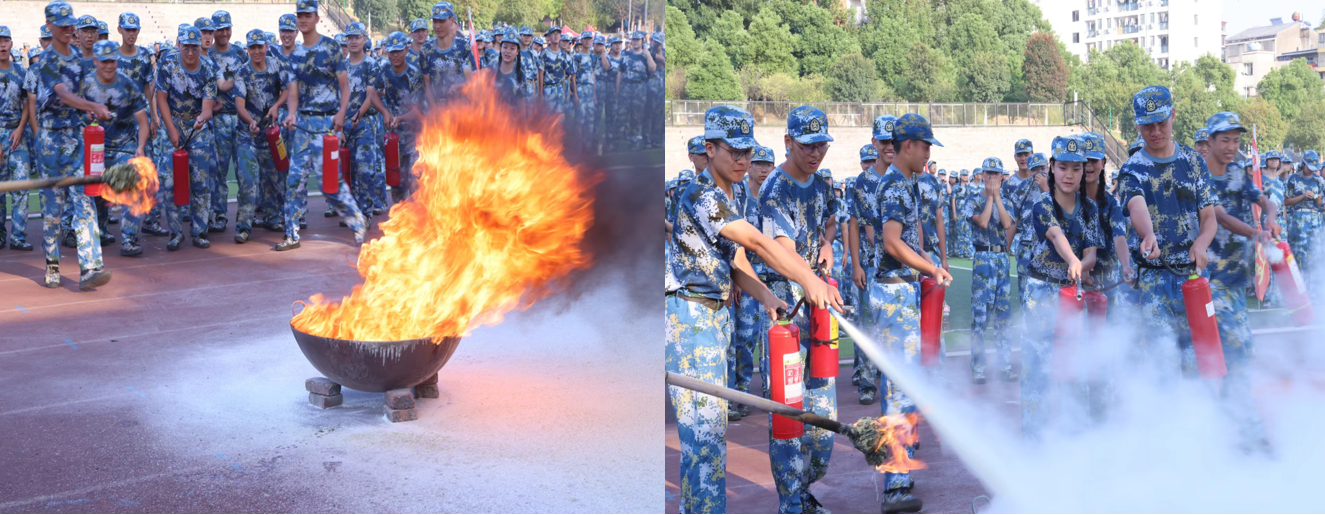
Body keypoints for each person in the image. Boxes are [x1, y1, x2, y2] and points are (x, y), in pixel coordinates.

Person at [666, 104, 841, 514]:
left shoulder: (738, 190)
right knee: (704, 442)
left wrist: (767, 296)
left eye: (748, 152)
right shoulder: (702, 195)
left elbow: (737, 258)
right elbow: (760, 244)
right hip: (690, 317)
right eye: (734, 152)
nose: (744, 161)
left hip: (715, 318)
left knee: (711, 440)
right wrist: (808, 279)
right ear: (709, 149)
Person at [758, 106, 843, 514]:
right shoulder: (775, 190)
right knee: (789, 412)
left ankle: (805, 488)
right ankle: (791, 503)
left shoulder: (822, 183)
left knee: (824, 415)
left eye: (822, 145)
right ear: (788, 142)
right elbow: (783, 251)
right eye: (808, 145)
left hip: (817, 300)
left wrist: (827, 245)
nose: (816, 154)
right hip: (786, 310)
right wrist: (811, 279)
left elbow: (829, 222)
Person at [870, 113, 953, 513]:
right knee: (898, 388)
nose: (928, 153)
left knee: (904, 384)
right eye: (925, 146)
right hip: (892, 293)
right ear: (908, 146)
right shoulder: (895, 186)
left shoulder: (907, 184)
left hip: (901, 292)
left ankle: (899, 475)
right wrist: (929, 267)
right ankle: (895, 485)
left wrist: (926, 263)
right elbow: (890, 242)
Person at [1117, 85, 1219, 376]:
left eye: (1161, 122)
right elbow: (1136, 205)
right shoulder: (1132, 169)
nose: (1156, 131)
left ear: (1173, 115)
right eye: (1147, 125)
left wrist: (1201, 243)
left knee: (1200, 359)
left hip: (1193, 276)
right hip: (1155, 278)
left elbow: (1209, 216)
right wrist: (1148, 234)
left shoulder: (1194, 162)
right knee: (1163, 363)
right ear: (1138, 124)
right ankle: (1167, 420)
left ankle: (1202, 419)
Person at [1202, 112, 1280, 448]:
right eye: (1225, 140)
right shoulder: (1202, 177)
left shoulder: (1236, 171)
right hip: (1212, 282)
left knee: (1238, 354)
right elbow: (1220, 216)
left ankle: (1227, 422)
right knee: (1235, 354)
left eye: (1235, 140)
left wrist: (1272, 217)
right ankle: (1245, 431)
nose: (1232, 147)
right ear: (1210, 142)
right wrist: (1256, 232)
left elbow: (1262, 199)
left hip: (1235, 281)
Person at [1020, 135, 1102, 440]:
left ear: (1084, 171)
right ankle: (1034, 443)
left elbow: (1091, 253)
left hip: (1071, 296)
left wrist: (1083, 266)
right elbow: (1055, 235)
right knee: (1037, 370)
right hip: (1041, 293)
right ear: (1052, 168)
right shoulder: (1043, 203)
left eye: (1076, 169)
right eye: (1063, 167)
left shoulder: (1090, 209)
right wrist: (1073, 260)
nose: (1069, 175)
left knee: (1073, 369)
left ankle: (1074, 440)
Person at [32, 1, 112, 289]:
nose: (69, 29)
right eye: (62, 25)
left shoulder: (79, 59)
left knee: (84, 202)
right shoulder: (46, 60)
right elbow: (63, 94)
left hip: (75, 138)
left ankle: (90, 267)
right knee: (53, 210)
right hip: (50, 141)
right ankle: (52, 262)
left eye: (71, 24)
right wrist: (89, 104)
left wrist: (90, 110)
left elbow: (81, 94)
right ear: (50, 26)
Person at [278, 0, 368, 251]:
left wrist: (341, 113)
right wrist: (292, 114)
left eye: (308, 15)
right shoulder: (295, 54)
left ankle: (358, 221)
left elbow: (344, 86)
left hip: (327, 125)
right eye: (300, 15)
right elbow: (293, 92)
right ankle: (291, 234)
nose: (303, 19)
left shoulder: (330, 48)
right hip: (303, 127)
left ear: (317, 18)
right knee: (294, 181)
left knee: (331, 183)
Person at [81, 40, 150, 257]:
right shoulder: (86, 85)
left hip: (124, 143)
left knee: (133, 183)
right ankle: (101, 231)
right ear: (95, 61)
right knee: (98, 190)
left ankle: (129, 238)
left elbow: (142, 120)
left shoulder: (127, 84)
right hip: (96, 147)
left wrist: (140, 147)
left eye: (112, 61)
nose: (109, 66)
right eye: (104, 61)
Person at [726, 144, 777, 421]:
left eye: (767, 164)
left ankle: (771, 392)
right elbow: (736, 242)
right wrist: (736, 277)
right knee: (744, 337)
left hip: (771, 279)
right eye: (758, 163)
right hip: (747, 279)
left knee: (771, 338)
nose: (763, 169)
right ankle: (743, 392)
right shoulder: (740, 196)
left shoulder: (774, 197)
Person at [156, 23, 216, 250]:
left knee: (201, 181)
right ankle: (175, 232)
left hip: (198, 127)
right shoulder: (168, 64)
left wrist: (202, 119)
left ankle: (200, 231)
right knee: (170, 182)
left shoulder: (208, 67)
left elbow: (208, 107)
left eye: (194, 47)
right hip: (173, 122)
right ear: (178, 45)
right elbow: (161, 98)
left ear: (200, 46)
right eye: (186, 47)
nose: (190, 53)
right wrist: (171, 128)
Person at [849, 115, 896, 403]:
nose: (889, 147)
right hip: (873, 265)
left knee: (895, 329)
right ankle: (867, 382)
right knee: (868, 324)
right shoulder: (864, 181)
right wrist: (856, 265)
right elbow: (857, 226)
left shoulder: (906, 178)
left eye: (894, 141)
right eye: (884, 141)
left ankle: (894, 382)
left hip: (901, 268)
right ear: (874, 143)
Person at [234, 28, 291, 244]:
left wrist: (277, 106)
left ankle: (272, 218)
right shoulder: (242, 72)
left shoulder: (276, 65)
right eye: (252, 47)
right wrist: (251, 121)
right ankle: (243, 227)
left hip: (271, 134)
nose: (257, 51)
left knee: (275, 178)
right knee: (249, 181)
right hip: (247, 136)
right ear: (247, 50)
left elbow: (286, 89)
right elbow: (239, 104)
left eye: (260, 46)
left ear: (267, 47)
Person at [965, 158, 1015, 384]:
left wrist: (997, 199)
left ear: (1002, 176)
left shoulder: (1008, 201)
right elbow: (983, 222)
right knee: (980, 317)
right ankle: (979, 367)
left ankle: (1004, 365)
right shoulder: (973, 199)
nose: (993, 178)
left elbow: (1006, 224)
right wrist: (990, 199)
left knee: (1003, 316)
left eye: (997, 174)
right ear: (982, 175)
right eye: (989, 173)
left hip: (1001, 259)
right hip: (983, 258)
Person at [1080, 132, 1133, 314]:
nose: (1088, 165)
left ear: (1103, 163)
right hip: (1075, 278)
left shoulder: (1111, 203)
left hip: (1107, 279)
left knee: (1108, 335)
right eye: (1084, 160)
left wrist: (1126, 265)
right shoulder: (1068, 202)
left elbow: (1119, 236)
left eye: (1093, 160)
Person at [369, 32, 423, 204]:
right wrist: (385, 112)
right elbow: (373, 94)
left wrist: (399, 118)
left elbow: (418, 109)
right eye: (391, 51)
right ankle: (401, 219)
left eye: (399, 51)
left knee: (415, 179)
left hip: (414, 135)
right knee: (396, 181)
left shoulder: (414, 75)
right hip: (394, 136)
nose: (395, 55)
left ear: (406, 49)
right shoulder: (384, 70)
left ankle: (419, 220)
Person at [206, 10, 246, 234]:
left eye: (227, 28)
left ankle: (244, 216)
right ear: (213, 30)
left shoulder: (240, 53)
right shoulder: (207, 55)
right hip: (219, 119)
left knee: (243, 169)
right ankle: (219, 214)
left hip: (240, 118)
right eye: (219, 29)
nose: (224, 33)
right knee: (219, 170)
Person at [0, 25, 33, 251]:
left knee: (21, 187)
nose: (2, 45)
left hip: (17, 136)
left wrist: (21, 128)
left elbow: (27, 104)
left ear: (12, 43)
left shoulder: (22, 72)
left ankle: (18, 236)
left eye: (5, 40)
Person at [419, 2, 474, 109]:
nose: (437, 26)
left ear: (452, 21)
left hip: (461, 110)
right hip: (437, 111)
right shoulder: (426, 50)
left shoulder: (463, 47)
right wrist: (434, 110)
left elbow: (471, 82)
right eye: (435, 21)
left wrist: (458, 87)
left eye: (442, 21)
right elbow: (427, 85)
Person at [1284, 150, 1324, 284]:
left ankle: (1313, 286)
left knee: (1315, 253)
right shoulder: (1293, 179)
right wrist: (1303, 196)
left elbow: (1321, 204)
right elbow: (1286, 201)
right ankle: (1298, 285)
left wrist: (1318, 200)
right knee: (1298, 252)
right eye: (1309, 167)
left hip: (1315, 220)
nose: (1312, 170)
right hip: (1299, 219)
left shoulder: (1319, 180)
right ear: (1303, 163)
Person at [619, 31, 654, 151]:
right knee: (622, 115)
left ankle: (634, 141)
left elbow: (652, 69)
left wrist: (648, 54)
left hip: (639, 89)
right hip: (626, 88)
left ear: (642, 41)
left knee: (637, 116)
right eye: (633, 39)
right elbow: (620, 72)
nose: (635, 42)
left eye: (637, 40)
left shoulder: (645, 56)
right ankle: (621, 140)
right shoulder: (626, 55)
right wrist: (618, 89)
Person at [538, 27, 572, 115]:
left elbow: (564, 73)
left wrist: (564, 92)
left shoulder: (563, 55)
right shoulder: (544, 53)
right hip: (548, 89)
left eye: (558, 34)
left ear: (560, 36)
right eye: (553, 34)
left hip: (560, 88)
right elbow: (540, 74)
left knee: (560, 116)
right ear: (549, 37)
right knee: (548, 118)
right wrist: (541, 93)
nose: (556, 36)